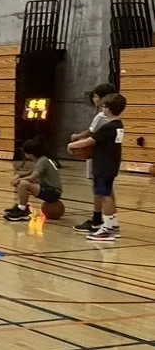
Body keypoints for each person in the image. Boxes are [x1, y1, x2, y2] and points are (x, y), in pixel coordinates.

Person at [69, 93, 125, 241]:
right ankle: (112, 226)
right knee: (108, 194)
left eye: (104, 106)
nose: (102, 109)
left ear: (108, 109)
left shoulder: (108, 127)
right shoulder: (118, 125)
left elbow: (89, 141)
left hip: (103, 165)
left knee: (103, 196)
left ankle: (107, 229)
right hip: (111, 164)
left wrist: (72, 145)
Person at [70, 83, 117, 189]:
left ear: (104, 99)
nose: (93, 99)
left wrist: (76, 137)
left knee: (98, 188)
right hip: (111, 155)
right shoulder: (115, 117)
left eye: (96, 96)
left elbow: (90, 132)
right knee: (107, 187)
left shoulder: (101, 116)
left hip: (99, 154)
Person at [3, 138, 62, 221]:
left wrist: (18, 180)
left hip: (52, 192)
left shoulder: (42, 161)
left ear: (29, 154)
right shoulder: (41, 160)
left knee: (23, 184)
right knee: (23, 182)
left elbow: (32, 177)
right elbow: (29, 173)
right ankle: (21, 207)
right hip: (50, 190)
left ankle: (22, 211)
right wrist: (17, 176)